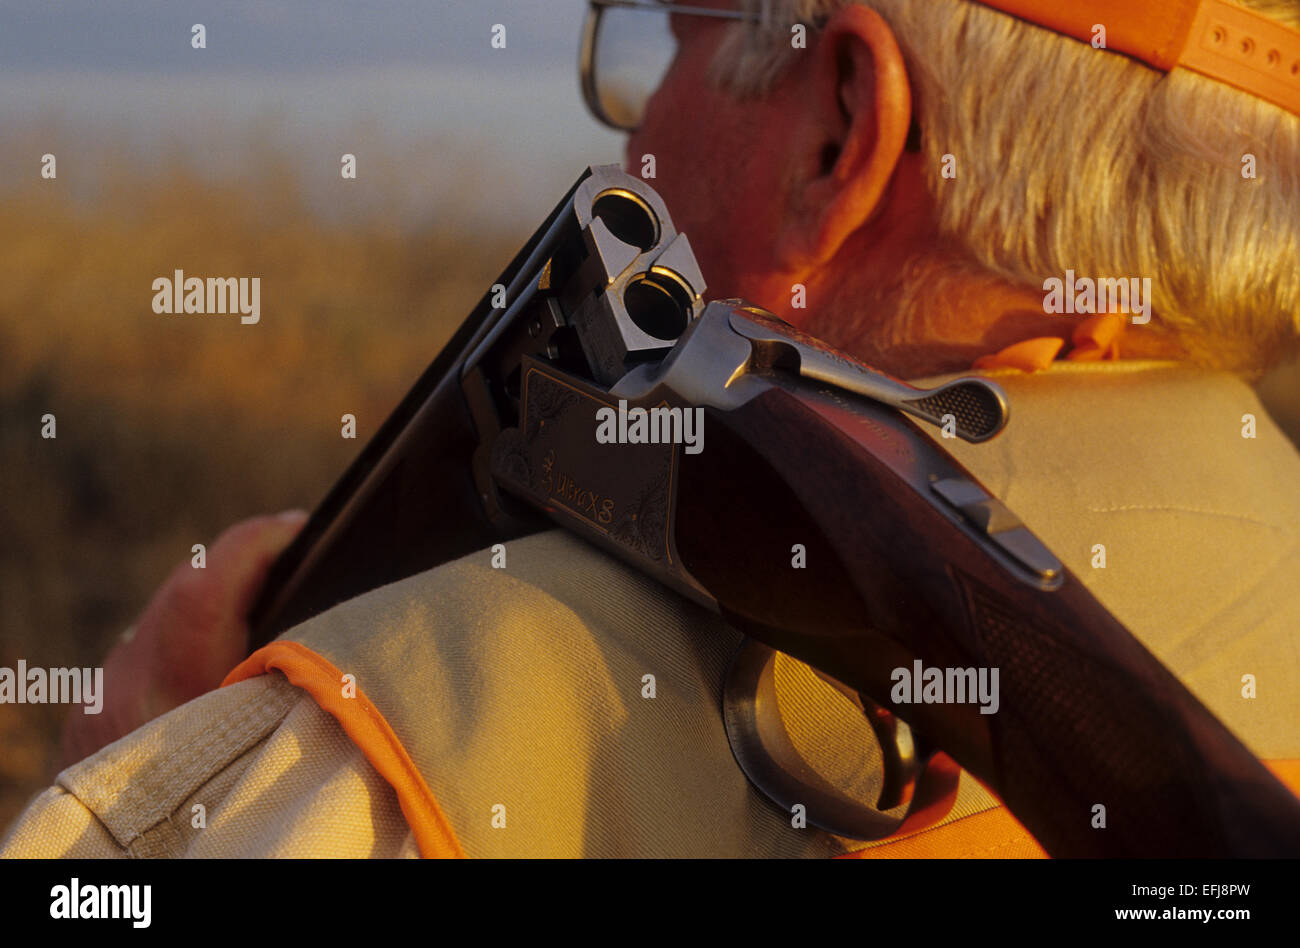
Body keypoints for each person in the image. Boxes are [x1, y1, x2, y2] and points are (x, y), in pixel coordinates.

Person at [4, 0, 1300, 858]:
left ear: (841, 133)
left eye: (670, 34)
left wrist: (156, 785)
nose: (630, 131)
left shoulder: (412, 708)